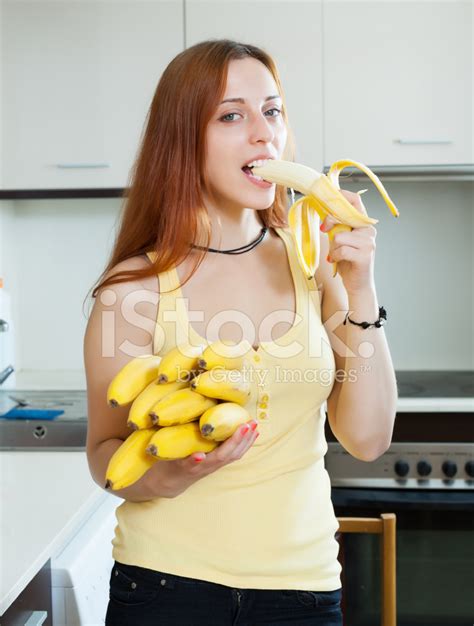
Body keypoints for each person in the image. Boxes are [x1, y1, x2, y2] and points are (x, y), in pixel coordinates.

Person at [83, 39, 397, 626]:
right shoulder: (133, 289)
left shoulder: (313, 262)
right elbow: (105, 456)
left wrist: (360, 290)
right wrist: (169, 473)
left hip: (303, 591)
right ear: (183, 142)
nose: (264, 134)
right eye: (232, 115)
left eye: (272, 111)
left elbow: (369, 439)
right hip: (164, 587)